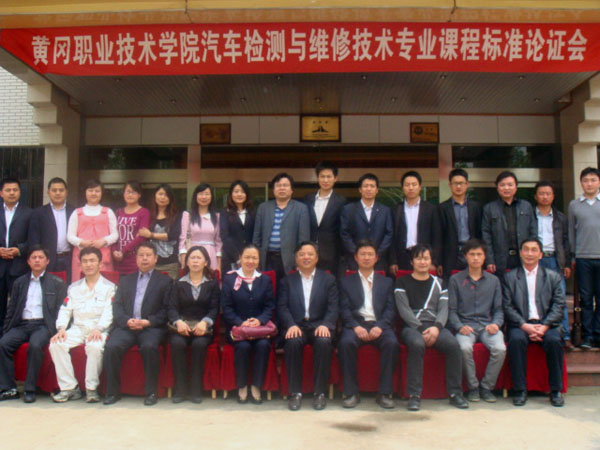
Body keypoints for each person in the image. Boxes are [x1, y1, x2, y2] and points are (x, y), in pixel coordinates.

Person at [395, 244, 468, 411]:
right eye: (418, 258)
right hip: (412, 327)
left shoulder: (440, 283)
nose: (422, 262)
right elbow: (404, 311)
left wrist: (436, 328)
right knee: (416, 344)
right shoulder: (401, 282)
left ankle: (455, 393)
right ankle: (414, 395)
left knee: (453, 345)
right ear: (412, 262)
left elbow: (443, 309)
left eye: (426, 258)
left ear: (431, 261)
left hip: (436, 326)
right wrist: (421, 329)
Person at [103, 242, 172, 406]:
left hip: (151, 327)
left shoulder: (165, 281)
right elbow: (117, 306)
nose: (144, 259)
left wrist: (148, 321)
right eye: (141, 255)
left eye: (148, 255)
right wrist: (126, 321)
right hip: (127, 326)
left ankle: (151, 392)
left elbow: (167, 310)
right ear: (136, 258)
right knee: (111, 347)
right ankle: (112, 392)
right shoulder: (126, 280)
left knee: (149, 347)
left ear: (156, 258)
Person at [503, 238, 566, 407]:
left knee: (554, 340)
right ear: (520, 253)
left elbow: (559, 305)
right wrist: (525, 326)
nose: (529, 253)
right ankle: (520, 389)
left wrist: (544, 326)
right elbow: (507, 306)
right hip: (521, 324)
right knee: (516, 340)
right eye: (526, 249)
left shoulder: (553, 276)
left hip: (547, 324)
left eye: (534, 250)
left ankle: (555, 390)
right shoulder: (510, 277)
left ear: (540, 254)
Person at [48, 247, 116, 403]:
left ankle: (91, 389)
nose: (88, 264)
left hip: (99, 329)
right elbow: (65, 309)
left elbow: (109, 312)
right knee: (56, 344)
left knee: (94, 346)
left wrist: (99, 328)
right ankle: (70, 388)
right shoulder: (74, 288)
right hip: (78, 328)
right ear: (80, 264)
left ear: (100, 264)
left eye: (92, 260)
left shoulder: (109, 287)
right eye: (85, 261)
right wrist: (61, 328)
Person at [0, 246, 66, 403]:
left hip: (43, 325)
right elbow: (12, 309)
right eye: (33, 257)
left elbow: (61, 310)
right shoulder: (19, 282)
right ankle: (9, 388)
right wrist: (7, 329)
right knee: (3, 344)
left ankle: (30, 389)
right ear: (28, 262)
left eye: (40, 257)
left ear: (47, 261)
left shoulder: (57, 283)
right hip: (22, 325)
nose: (37, 260)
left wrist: (56, 329)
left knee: (35, 345)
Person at [338, 239, 399, 409]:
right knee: (346, 343)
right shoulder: (346, 282)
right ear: (356, 257)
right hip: (356, 325)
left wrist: (380, 326)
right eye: (363, 254)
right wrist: (355, 326)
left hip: (379, 324)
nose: (366, 258)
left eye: (370, 254)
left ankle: (384, 393)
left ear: (376, 258)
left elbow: (390, 309)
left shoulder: (386, 282)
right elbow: (343, 309)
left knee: (392, 343)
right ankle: (351, 393)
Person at [278, 241, 338, 411]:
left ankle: (320, 392)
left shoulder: (328, 279)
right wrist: (290, 325)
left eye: (310, 254)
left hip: (320, 325)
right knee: (292, 342)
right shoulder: (287, 281)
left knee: (324, 342)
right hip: (297, 325)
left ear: (317, 258)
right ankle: (295, 393)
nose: (306, 257)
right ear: (296, 258)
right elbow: (282, 307)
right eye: (302, 254)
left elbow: (333, 307)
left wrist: (326, 324)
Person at [448, 239, 505, 403]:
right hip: (466, 326)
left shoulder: (494, 281)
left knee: (500, 348)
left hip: (488, 326)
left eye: (479, 254)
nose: (475, 258)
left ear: (484, 257)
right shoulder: (455, 280)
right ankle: (473, 387)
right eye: (472, 254)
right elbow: (451, 310)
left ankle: (486, 387)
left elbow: (499, 309)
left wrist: (496, 324)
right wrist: (459, 326)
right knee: (464, 348)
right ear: (465, 256)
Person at [221, 244, 275, 404]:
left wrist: (260, 320)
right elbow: (226, 307)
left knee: (263, 345)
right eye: (247, 257)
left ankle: (256, 387)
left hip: (260, 330)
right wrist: (240, 323)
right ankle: (242, 386)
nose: (250, 261)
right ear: (240, 258)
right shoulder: (230, 279)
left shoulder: (264, 280)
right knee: (243, 346)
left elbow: (270, 306)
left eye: (254, 258)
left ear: (259, 260)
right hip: (237, 330)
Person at [168, 246, 220, 404]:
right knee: (177, 343)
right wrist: (178, 322)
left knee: (199, 345)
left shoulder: (212, 284)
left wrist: (205, 322)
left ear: (206, 262)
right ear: (187, 262)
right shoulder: (178, 283)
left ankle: (196, 390)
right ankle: (180, 389)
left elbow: (215, 308)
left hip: (203, 328)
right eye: (192, 258)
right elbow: (171, 308)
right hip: (182, 326)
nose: (195, 261)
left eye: (199, 258)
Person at [534, 180, 572, 348]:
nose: (545, 197)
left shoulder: (561, 218)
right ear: (536, 196)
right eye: (541, 193)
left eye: (548, 193)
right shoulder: (529, 216)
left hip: (555, 260)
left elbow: (566, 242)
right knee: (535, 297)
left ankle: (565, 335)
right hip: (535, 259)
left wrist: (567, 263)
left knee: (559, 298)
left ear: (553, 196)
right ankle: (538, 332)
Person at [253, 173, 310, 283]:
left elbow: (303, 239)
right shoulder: (263, 208)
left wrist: (300, 261)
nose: (282, 188)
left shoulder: (301, 209)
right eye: (278, 185)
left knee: (288, 289)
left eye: (285, 185)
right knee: (268, 288)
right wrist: (256, 258)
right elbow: (257, 237)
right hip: (267, 258)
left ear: (292, 190)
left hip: (290, 260)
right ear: (273, 190)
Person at [482, 171, 537, 281]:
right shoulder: (489, 208)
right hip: (500, 258)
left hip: (522, 256)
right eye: (502, 185)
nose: (506, 188)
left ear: (516, 187)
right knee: (501, 288)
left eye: (510, 185)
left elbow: (533, 232)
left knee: (522, 288)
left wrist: (532, 254)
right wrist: (489, 259)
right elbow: (486, 236)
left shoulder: (526, 206)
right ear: (497, 187)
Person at [568, 167, 600, 349]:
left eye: (593, 180)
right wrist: (573, 255)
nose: (589, 183)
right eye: (586, 180)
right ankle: (587, 336)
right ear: (581, 183)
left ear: (599, 182)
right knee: (586, 299)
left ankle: (598, 334)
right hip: (582, 257)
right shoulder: (574, 205)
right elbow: (571, 232)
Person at [390, 171, 442, 274]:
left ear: (420, 187)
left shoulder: (431, 209)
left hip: (424, 257)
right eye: (407, 185)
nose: (411, 188)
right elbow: (391, 237)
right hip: (402, 258)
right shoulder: (395, 210)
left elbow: (437, 237)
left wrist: (434, 262)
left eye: (414, 184)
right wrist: (393, 261)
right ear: (402, 188)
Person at [340, 173, 393, 272]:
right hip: (354, 261)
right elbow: (344, 234)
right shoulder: (348, 209)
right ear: (360, 189)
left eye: (372, 186)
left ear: (377, 190)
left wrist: (377, 254)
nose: (369, 189)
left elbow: (389, 234)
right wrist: (358, 254)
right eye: (365, 186)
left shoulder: (385, 210)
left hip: (378, 261)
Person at [67, 179, 118, 282]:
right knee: (80, 285)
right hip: (82, 256)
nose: (93, 193)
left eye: (97, 191)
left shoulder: (108, 212)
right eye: (90, 190)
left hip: (103, 257)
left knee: (104, 285)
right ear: (85, 192)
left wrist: (103, 241)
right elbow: (70, 236)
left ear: (102, 193)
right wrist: (82, 242)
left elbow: (115, 234)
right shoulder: (77, 213)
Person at [438, 168, 482, 281]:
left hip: (471, 252)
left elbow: (480, 232)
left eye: (461, 183)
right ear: (450, 185)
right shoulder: (442, 208)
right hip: (450, 255)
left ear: (467, 184)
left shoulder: (476, 207)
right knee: (451, 285)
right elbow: (439, 235)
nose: (458, 186)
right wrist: (439, 261)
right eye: (455, 183)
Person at [0, 177, 32, 331]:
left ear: (20, 192)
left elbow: (33, 240)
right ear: (1, 193)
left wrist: (19, 250)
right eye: (8, 190)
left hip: (19, 267)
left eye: (15, 190)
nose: (12, 193)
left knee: (17, 306)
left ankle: (11, 337)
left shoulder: (29, 213)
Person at [303, 161, 346, 277]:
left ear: (335, 179)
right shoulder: (308, 199)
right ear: (317, 178)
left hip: (332, 253)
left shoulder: (341, 201)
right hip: (309, 253)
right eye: (322, 176)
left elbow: (343, 229)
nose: (325, 180)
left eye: (329, 177)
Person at [29, 177, 75, 283]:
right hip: (47, 258)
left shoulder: (74, 211)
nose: (58, 193)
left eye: (61, 190)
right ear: (48, 192)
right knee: (47, 288)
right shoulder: (38, 213)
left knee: (68, 287)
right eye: (54, 190)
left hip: (69, 258)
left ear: (66, 192)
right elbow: (34, 239)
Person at [138, 183, 183, 280]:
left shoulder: (176, 215)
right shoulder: (149, 215)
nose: (162, 197)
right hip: (151, 263)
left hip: (170, 263)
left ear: (170, 198)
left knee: (170, 288)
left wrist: (151, 235)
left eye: (166, 195)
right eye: (160, 194)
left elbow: (174, 235)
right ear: (155, 196)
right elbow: (142, 234)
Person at [179, 183, 222, 273]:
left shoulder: (217, 217)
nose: (204, 197)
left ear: (211, 197)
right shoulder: (188, 215)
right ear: (196, 196)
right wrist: (184, 262)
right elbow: (183, 239)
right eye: (201, 194)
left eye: (207, 194)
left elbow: (218, 242)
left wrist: (219, 266)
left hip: (211, 255)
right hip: (192, 255)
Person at [112, 181, 150, 275]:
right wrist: (114, 251)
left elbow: (141, 236)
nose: (130, 195)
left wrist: (123, 251)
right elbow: (113, 234)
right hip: (118, 260)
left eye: (133, 192)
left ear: (139, 195)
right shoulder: (118, 212)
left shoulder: (144, 212)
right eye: (128, 192)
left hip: (135, 260)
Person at [220, 180, 255, 272]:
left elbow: (256, 235)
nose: (239, 194)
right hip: (230, 258)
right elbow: (224, 236)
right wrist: (238, 258)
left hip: (250, 258)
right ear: (231, 194)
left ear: (247, 194)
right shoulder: (225, 213)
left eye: (242, 192)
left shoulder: (252, 213)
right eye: (236, 191)